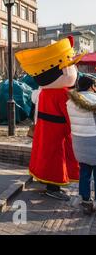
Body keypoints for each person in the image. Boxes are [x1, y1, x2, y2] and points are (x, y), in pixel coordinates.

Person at [16, 37, 84, 201]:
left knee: (44, 155)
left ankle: (44, 180)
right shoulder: (62, 93)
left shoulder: (45, 92)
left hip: (44, 129)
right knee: (56, 160)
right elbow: (70, 115)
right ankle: (53, 188)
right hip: (57, 133)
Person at [67, 75, 96, 214]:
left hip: (79, 141)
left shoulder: (70, 102)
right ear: (91, 86)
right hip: (93, 140)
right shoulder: (94, 100)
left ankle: (85, 200)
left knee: (84, 171)